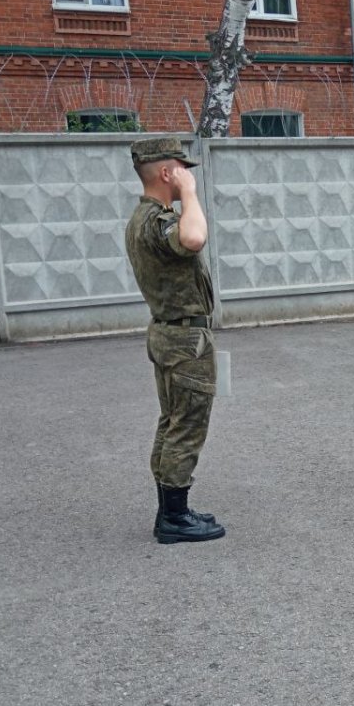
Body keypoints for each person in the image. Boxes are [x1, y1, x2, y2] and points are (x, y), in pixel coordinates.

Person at [124, 137, 225, 544]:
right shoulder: (157, 219)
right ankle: (174, 518)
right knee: (186, 425)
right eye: (181, 168)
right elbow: (194, 239)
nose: (188, 175)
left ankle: (172, 509)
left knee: (173, 422)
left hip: (173, 334)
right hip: (184, 338)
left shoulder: (145, 217)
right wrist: (189, 195)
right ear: (166, 172)